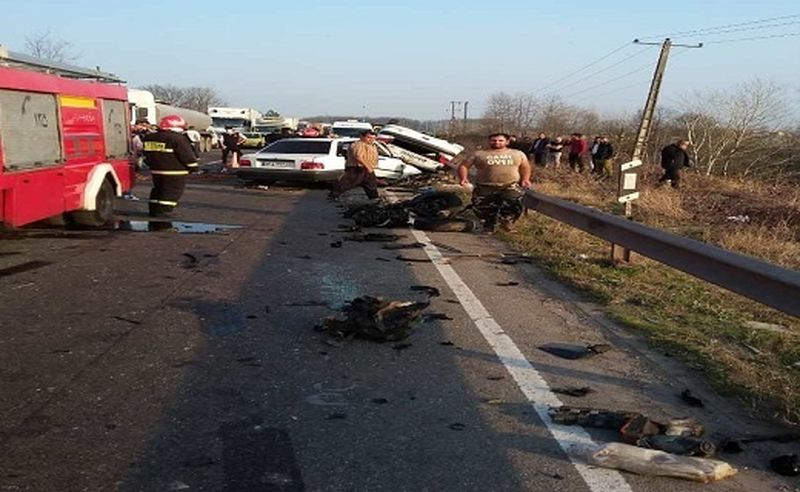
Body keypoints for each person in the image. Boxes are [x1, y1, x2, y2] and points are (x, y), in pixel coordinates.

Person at [457, 133, 532, 233]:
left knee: (513, 204)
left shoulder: (517, 154)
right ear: (489, 141)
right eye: (494, 140)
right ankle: (488, 225)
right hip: (485, 186)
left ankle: (507, 222)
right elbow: (464, 166)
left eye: (500, 140)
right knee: (483, 208)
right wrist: (463, 178)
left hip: (510, 185)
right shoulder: (479, 154)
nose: (497, 142)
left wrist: (525, 179)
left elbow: (525, 167)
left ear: (507, 142)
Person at [142, 115, 199, 217]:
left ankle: (154, 210)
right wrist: (194, 168)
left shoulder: (149, 137)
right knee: (171, 192)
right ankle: (164, 211)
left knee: (158, 190)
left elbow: (146, 154)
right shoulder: (177, 138)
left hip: (156, 170)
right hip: (175, 171)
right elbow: (186, 156)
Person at [330, 130, 380, 200]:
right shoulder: (358, 144)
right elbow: (358, 156)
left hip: (366, 169)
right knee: (347, 183)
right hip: (356, 168)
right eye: (369, 137)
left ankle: (374, 198)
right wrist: (368, 167)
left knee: (371, 184)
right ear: (362, 137)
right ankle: (333, 196)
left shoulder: (372, 146)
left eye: (373, 138)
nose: (371, 140)